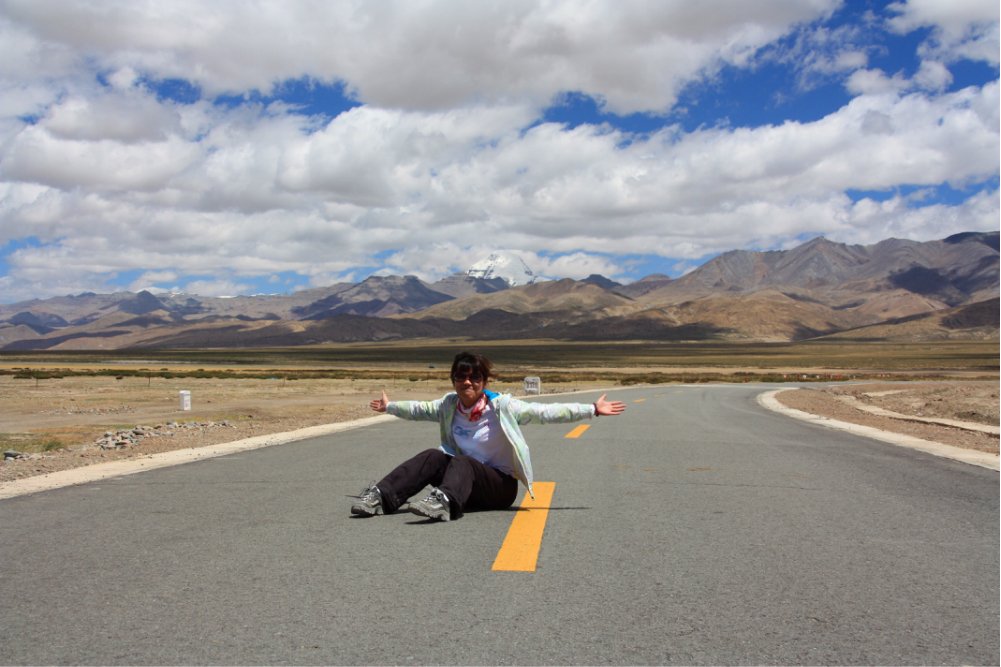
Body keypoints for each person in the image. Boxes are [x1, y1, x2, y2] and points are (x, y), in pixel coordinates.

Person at [351, 350, 626, 522]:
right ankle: (381, 498)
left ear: (484, 382)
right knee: (433, 456)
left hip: (499, 488)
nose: (467, 382)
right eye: (461, 376)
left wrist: (592, 409)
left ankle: (444, 504)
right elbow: (419, 409)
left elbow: (545, 412)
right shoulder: (448, 405)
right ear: (453, 380)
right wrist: (390, 407)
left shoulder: (502, 407)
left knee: (462, 461)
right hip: (464, 483)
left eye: (475, 377)